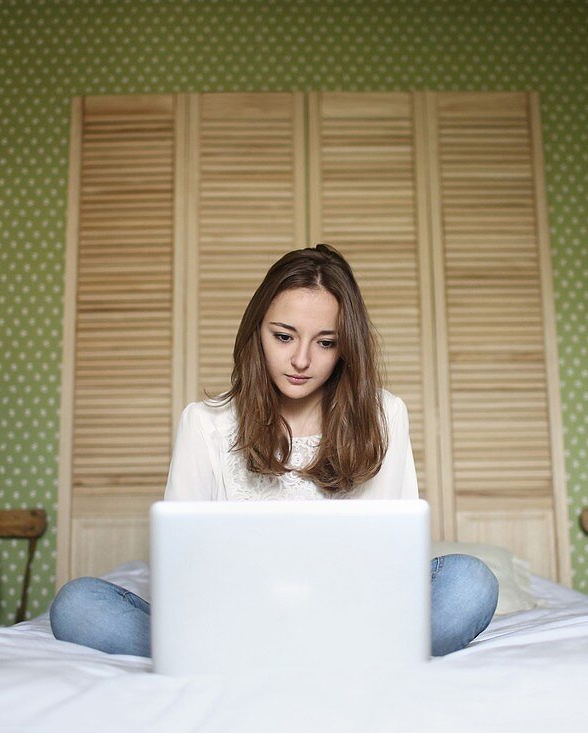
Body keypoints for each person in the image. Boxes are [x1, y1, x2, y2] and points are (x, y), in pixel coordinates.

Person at [50, 244, 499, 657]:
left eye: (325, 342)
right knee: (79, 605)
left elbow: (392, 563)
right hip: (233, 622)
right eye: (284, 336)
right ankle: (306, 659)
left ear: (346, 348)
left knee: (470, 581)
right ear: (256, 332)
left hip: (350, 618)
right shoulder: (205, 423)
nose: (301, 360)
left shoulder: (385, 414)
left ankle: (284, 658)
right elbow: (180, 571)